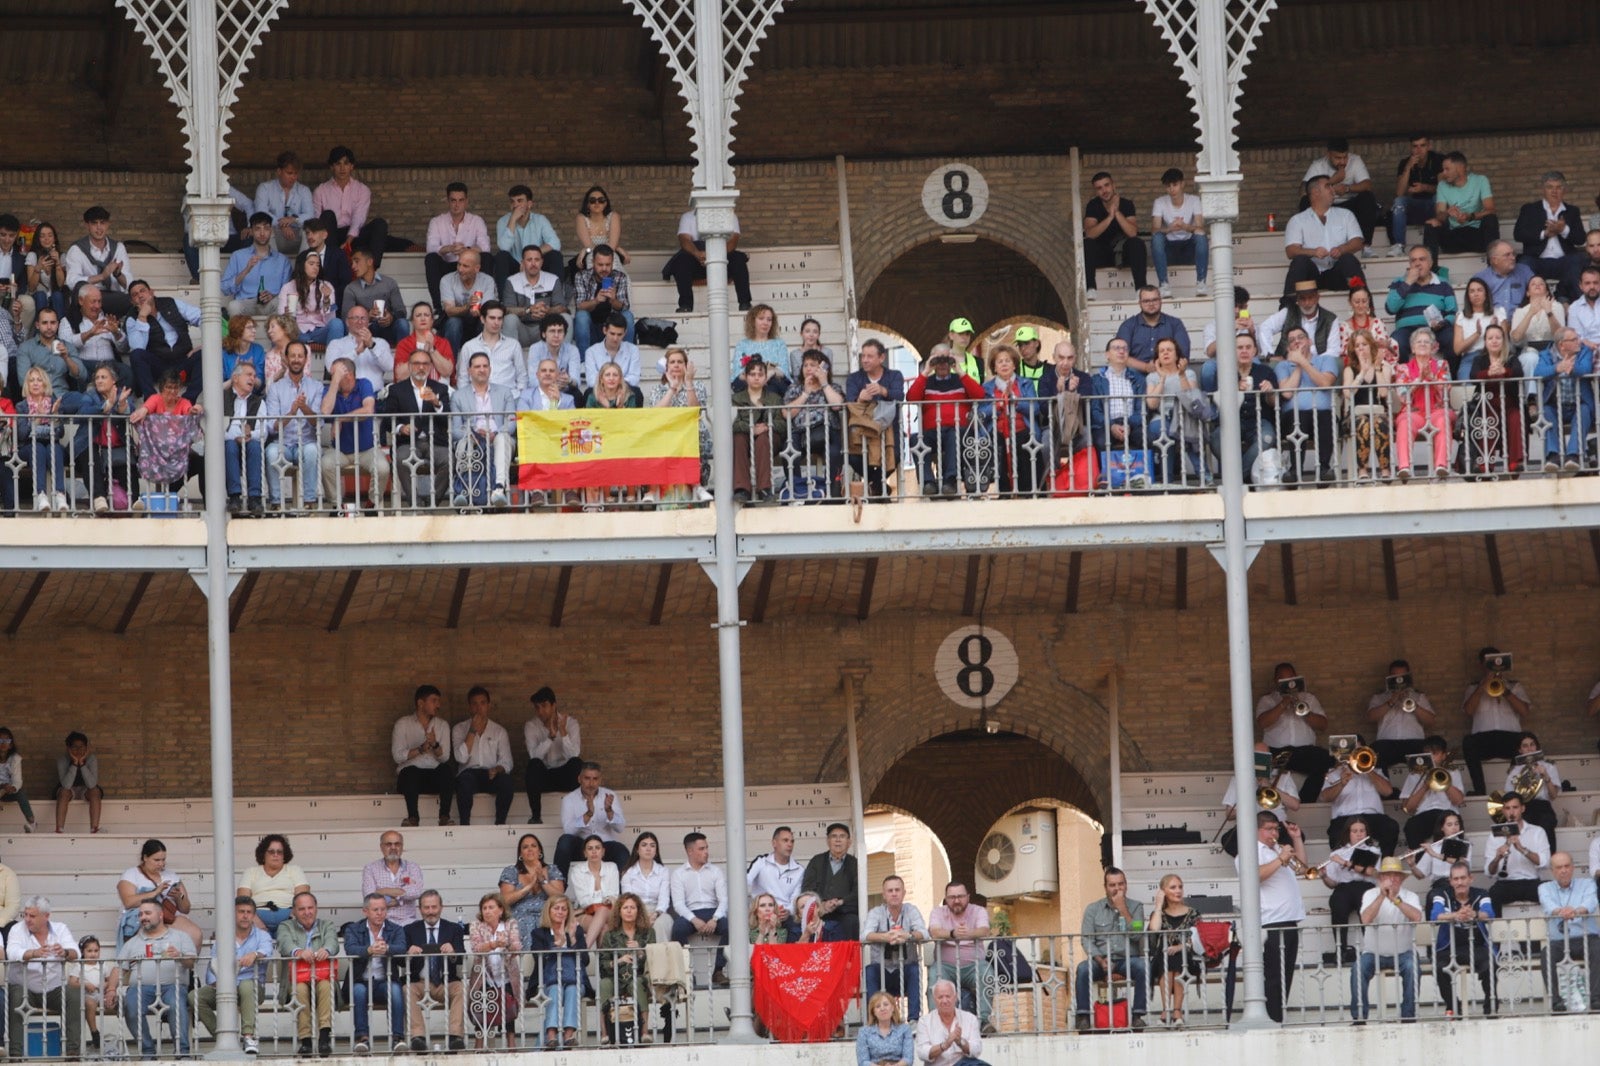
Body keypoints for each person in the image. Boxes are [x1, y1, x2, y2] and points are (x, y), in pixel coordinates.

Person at [1242, 811, 1307, 1023]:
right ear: (1257, 830)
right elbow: (1254, 876)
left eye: (1276, 829)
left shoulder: (1278, 850)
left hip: (1290, 920)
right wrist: (1280, 859)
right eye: (1269, 829)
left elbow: (1303, 868)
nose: (1274, 833)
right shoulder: (1250, 851)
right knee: (1273, 976)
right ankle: (1271, 1019)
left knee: (1285, 975)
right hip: (1271, 921)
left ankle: (1277, 1017)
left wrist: (1296, 839)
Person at [6, 895, 83, 1058]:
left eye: (32, 916)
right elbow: (11, 953)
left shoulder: (60, 928)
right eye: (25, 914)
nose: (27, 919)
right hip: (25, 989)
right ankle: (15, 1055)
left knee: (74, 995)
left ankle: (73, 1053)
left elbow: (76, 952)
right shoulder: (16, 929)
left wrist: (65, 952)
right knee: (16, 995)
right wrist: (33, 953)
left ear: (46, 916)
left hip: (53, 989)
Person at [117, 899, 195, 1058]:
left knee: (176, 1005)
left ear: (160, 915)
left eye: (147, 913)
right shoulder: (131, 943)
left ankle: (182, 1052)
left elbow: (191, 963)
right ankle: (147, 1051)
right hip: (140, 988)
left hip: (172, 986)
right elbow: (119, 969)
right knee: (131, 1006)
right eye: (140, 914)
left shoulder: (181, 937)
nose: (143, 917)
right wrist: (111, 989)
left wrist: (179, 956)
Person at [196, 897, 273, 1055]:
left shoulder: (262, 935)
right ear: (233, 914)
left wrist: (255, 954)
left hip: (253, 988)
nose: (245, 916)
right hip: (226, 985)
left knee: (246, 984)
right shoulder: (224, 937)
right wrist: (216, 982)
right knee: (195, 997)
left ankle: (248, 1037)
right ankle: (223, 1035)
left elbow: (267, 950)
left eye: (249, 912)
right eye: (241, 912)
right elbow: (213, 964)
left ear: (253, 916)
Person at [1349, 857, 1421, 1023]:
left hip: (1403, 953)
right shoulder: (1370, 894)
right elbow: (1365, 919)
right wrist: (1382, 896)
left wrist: (1396, 900)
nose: (1392, 879)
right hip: (1373, 953)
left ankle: (1408, 1016)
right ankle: (1359, 1017)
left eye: (1396, 875)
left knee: (1412, 967)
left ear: (1402, 879)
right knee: (1357, 970)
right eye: (1388, 875)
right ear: (1380, 878)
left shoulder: (1410, 896)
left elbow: (1417, 917)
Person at [381, 346, 452, 507]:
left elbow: (447, 419)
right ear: (409, 365)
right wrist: (401, 428)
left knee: (450, 460)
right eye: (417, 363)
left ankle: (433, 500)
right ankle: (415, 502)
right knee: (401, 459)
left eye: (426, 364)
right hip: (408, 442)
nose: (421, 367)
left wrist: (436, 403)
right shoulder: (397, 390)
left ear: (431, 366)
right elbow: (387, 421)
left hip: (435, 442)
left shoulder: (440, 389)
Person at [1255, 662, 1334, 803]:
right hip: (1276, 752)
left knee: (1327, 760)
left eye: (1290, 678)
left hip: (1304, 751)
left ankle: (1306, 800)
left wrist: (1304, 711)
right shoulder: (1267, 700)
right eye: (1282, 679)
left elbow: (1323, 725)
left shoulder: (1309, 698)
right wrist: (1283, 703)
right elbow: (1262, 722)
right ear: (1276, 681)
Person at [318, 355, 389, 510]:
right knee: (325, 464)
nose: (331, 378)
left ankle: (372, 502)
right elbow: (325, 411)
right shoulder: (330, 390)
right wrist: (335, 382)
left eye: (334, 374)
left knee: (383, 467)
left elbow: (368, 410)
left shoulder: (364, 384)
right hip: (339, 450)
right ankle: (338, 506)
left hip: (366, 450)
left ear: (348, 374)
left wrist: (340, 419)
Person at [1206, 332, 1277, 486]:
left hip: (1259, 420)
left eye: (1248, 347)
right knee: (1216, 438)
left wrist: (1270, 391)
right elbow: (1216, 401)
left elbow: (1273, 404)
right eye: (1239, 348)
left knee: (1268, 437)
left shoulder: (1266, 372)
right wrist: (1234, 389)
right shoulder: (1223, 373)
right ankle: (1245, 478)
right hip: (1231, 420)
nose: (1244, 351)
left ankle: (1236, 481)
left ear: (1254, 351)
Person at [262, 341, 325, 510]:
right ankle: (277, 503)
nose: (296, 360)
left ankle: (309, 502)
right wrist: (292, 412)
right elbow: (272, 426)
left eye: (300, 356)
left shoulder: (316, 386)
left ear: (305, 359)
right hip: (283, 443)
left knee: (312, 450)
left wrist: (304, 408)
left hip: (306, 442)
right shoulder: (275, 388)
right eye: (293, 356)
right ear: (286, 359)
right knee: (271, 452)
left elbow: (318, 424)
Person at [1461, 645, 1532, 795]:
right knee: (1468, 742)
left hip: (1510, 738)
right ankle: (1480, 790)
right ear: (1482, 665)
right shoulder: (1473, 688)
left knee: (1525, 740)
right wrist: (1482, 687)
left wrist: (1506, 692)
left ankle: (1515, 788)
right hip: (1483, 739)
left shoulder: (1514, 686)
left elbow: (1524, 711)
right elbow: (1468, 711)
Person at [275, 891, 339, 1056]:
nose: (307, 912)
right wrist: (298, 952)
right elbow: (284, 943)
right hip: (297, 980)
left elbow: (333, 941)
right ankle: (306, 1041)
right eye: (302, 909)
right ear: (294, 912)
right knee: (300, 990)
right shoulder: (286, 926)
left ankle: (324, 1039)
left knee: (326, 986)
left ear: (316, 908)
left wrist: (327, 949)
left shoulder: (327, 924)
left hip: (323, 977)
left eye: (310, 907)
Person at [1428, 861, 1496, 1015]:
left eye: (1463, 878)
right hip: (1448, 947)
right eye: (1456, 879)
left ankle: (1490, 1005)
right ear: (1450, 881)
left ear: (1470, 879)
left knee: (1490, 965)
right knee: (1439, 968)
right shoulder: (1441, 894)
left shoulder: (1482, 894)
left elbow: (1490, 914)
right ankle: (1453, 1006)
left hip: (1477, 946)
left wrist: (1474, 914)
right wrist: (1455, 915)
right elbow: (1434, 916)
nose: (1459, 882)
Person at [343, 893, 408, 1055]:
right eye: (375, 910)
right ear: (365, 911)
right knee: (358, 991)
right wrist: (369, 950)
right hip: (361, 980)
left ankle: (397, 1038)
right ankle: (363, 1038)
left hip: (383, 981)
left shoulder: (396, 929)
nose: (380, 913)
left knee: (395, 990)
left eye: (383, 909)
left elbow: (402, 947)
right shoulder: (353, 929)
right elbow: (350, 949)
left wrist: (387, 949)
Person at [1141, 337, 1210, 487]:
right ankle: (1168, 480)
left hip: (1184, 417)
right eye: (1162, 351)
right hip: (1162, 418)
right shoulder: (1152, 377)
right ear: (1157, 357)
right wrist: (1162, 379)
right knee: (1166, 432)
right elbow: (1152, 403)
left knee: (1189, 434)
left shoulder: (1188, 373)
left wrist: (1181, 375)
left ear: (1177, 354)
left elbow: (1191, 397)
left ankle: (1205, 478)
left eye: (1169, 350)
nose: (1165, 353)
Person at [403, 889, 466, 1053]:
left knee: (461, 988)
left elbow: (460, 957)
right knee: (406, 989)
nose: (430, 911)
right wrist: (408, 953)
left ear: (441, 907)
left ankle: (455, 1037)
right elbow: (399, 961)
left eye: (434, 907)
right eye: (426, 908)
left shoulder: (454, 929)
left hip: (446, 982)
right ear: (420, 909)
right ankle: (418, 1038)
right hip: (420, 982)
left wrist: (453, 952)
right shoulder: (410, 930)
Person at [1283, 175, 1366, 298]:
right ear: (1315, 192)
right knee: (1300, 261)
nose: (1333, 190)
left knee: (1348, 259)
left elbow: (1358, 242)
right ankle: (1287, 310)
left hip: (1337, 274)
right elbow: (1291, 251)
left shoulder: (1345, 215)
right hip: (1311, 277)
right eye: (1328, 186)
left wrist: (1341, 249)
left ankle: (1368, 310)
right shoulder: (1297, 220)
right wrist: (1313, 252)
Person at [860, 874, 928, 1023]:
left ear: (904, 893)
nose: (894, 893)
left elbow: (925, 933)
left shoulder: (911, 910)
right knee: (869, 971)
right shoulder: (876, 912)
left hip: (905, 969)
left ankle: (913, 1020)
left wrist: (907, 935)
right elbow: (864, 936)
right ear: (884, 895)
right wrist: (886, 937)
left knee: (915, 969)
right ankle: (874, 1021)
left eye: (897, 890)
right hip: (883, 971)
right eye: (890, 891)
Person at [843, 337, 906, 498]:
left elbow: (900, 396)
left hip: (889, 428)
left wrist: (883, 391)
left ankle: (874, 486)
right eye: (863, 356)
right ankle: (878, 487)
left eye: (870, 356)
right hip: (864, 428)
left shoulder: (894, 375)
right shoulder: (854, 378)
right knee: (854, 457)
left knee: (896, 455)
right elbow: (850, 402)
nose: (865, 360)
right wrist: (860, 399)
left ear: (882, 358)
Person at [648, 348, 711, 507]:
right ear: (666, 367)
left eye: (680, 362)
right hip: (667, 438)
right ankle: (657, 489)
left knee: (687, 437)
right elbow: (656, 416)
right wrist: (672, 388)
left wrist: (688, 384)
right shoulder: (658, 389)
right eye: (672, 362)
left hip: (691, 436)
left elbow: (694, 412)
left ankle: (696, 485)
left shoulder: (698, 386)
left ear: (686, 365)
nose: (676, 365)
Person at [1539, 851, 1600, 1013]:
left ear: (1573, 868)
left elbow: (1590, 903)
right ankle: (1556, 1002)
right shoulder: (1544, 887)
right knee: (1546, 954)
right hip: (1559, 941)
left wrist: (1575, 911)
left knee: (1598, 948)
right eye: (1559, 867)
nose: (1563, 870)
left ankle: (1596, 999)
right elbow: (1548, 905)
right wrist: (1561, 911)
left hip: (1587, 937)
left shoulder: (1587, 884)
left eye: (1567, 866)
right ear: (1552, 871)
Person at [1463, 324, 1525, 477]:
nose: (1494, 341)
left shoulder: (1511, 357)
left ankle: (1514, 463)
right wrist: (1489, 373)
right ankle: (1485, 464)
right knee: (1486, 420)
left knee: (1516, 418)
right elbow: (1474, 377)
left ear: (1504, 340)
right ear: (1485, 341)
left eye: (1498, 337)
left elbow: (1518, 373)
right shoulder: (1480, 359)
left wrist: (1505, 371)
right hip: (1487, 406)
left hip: (1510, 405)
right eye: (1490, 338)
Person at [927, 881, 991, 1031]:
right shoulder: (937, 912)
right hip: (945, 966)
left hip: (974, 966)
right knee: (933, 978)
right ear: (946, 898)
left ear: (968, 897)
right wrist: (952, 933)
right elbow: (934, 932)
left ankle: (984, 1021)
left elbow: (984, 930)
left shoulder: (979, 911)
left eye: (960, 896)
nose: (956, 900)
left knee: (987, 974)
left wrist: (967, 933)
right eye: (952, 897)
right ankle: (936, 1024)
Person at [125, 280, 204, 400]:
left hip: (183, 360)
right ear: (132, 301)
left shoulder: (171, 303)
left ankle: (189, 399)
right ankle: (151, 400)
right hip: (159, 366)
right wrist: (142, 317)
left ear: (151, 292)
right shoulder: (132, 318)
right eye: (135, 295)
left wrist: (205, 344)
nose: (140, 295)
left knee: (206, 353)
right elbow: (138, 347)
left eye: (142, 291)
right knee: (136, 355)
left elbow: (202, 317)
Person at [116, 838, 201, 949]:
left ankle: (187, 964)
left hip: (168, 916)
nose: (161, 864)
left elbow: (186, 908)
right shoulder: (131, 874)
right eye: (156, 860)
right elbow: (128, 902)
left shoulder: (172, 876)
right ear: (145, 858)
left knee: (195, 934)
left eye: (163, 860)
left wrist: (180, 896)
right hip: (144, 918)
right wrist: (155, 892)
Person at [1319, 816, 1384, 962]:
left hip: (1366, 886)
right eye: (1354, 831)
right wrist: (1324, 876)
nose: (1359, 834)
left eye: (1362, 830)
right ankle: (1340, 950)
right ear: (1348, 833)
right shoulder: (1337, 853)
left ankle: (1371, 950)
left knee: (1366, 907)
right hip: (1344, 887)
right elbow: (1333, 884)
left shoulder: (1373, 850)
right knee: (1337, 904)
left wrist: (1347, 864)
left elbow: (1372, 872)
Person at [664, 205, 751, 313]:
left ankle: (745, 304)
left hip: (722, 261)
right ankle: (685, 305)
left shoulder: (730, 216)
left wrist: (715, 255)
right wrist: (697, 253)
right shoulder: (688, 217)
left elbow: (733, 241)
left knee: (738, 259)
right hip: (698, 261)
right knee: (682, 261)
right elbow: (684, 240)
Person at [449, 685, 515, 826]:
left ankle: (500, 823)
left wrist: (497, 769)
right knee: (464, 781)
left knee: (507, 782)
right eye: (474, 704)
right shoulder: (459, 729)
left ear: (488, 705)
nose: (479, 708)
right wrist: (472, 731)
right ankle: (465, 825)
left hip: (491, 773)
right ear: (469, 707)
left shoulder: (499, 731)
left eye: (483, 703)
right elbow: (460, 758)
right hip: (469, 774)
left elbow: (507, 761)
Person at [1391, 330, 1452, 481]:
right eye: (1419, 342)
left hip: (1436, 409)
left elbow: (1445, 393)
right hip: (1414, 411)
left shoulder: (1441, 364)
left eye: (1427, 342)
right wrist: (1418, 380)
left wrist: (1431, 377)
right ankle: (1404, 467)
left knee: (1443, 419)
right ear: (1412, 348)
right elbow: (1403, 396)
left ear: (1433, 347)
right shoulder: (1402, 368)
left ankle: (1441, 466)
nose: (1423, 344)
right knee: (1405, 422)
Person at [1218, 741, 1298, 857]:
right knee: (1228, 840)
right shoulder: (1238, 779)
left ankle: (1275, 863)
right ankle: (1254, 865)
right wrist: (1250, 791)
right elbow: (1229, 815)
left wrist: (1271, 787)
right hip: (1250, 826)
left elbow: (1295, 805)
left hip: (1277, 826)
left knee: (1293, 836)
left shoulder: (1284, 776)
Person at [670, 831, 729, 986]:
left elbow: (724, 900)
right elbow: (678, 904)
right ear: (690, 851)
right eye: (702, 849)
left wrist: (715, 919)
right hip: (691, 913)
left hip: (712, 911)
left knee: (729, 927)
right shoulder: (679, 874)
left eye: (706, 848)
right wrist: (693, 919)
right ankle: (688, 974)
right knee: (677, 929)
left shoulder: (715, 871)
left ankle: (718, 971)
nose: (706, 852)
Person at [1534, 325, 1596, 472]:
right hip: (1555, 404)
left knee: (1584, 411)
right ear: (1562, 344)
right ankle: (1553, 456)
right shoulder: (1546, 354)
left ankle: (1573, 456)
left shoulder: (1584, 351)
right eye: (1574, 339)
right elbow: (1538, 372)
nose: (1579, 342)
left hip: (1579, 403)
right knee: (1546, 411)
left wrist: (1572, 369)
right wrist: (1557, 368)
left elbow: (1586, 368)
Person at [391, 684, 453, 827]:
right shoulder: (402, 724)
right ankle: (413, 818)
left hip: (434, 777)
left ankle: (444, 817)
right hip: (410, 780)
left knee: (446, 770)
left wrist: (435, 745)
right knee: (410, 772)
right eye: (434, 700)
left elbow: (445, 758)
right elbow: (397, 756)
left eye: (439, 701)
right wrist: (421, 749)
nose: (438, 705)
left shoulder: (442, 725)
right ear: (420, 703)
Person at [596, 892, 654, 1043]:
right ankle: (604, 1034)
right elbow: (603, 964)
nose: (629, 911)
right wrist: (619, 960)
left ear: (638, 911)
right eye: (625, 907)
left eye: (632, 908)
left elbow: (654, 959)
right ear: (619, 912)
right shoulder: (610, 935)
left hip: (638, 977)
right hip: (615, 977)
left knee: (638, 983)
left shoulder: (648, 933)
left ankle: (644, 1032)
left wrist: (640, 951)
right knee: (604, 984)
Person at [529, 894, 587, 1048]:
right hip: (547, 982)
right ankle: (551, 1033)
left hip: (574, 980)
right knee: (555, 988)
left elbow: (585, 960)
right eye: (556, 908)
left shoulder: (576, 930)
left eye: (564, 909)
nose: (560, 912)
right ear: (549, 910)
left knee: (573, 989)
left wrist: (572, 940)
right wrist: (557, 946)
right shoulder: (539, 933)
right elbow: (537, 957)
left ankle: (568, 1034)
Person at [467, 892, 522, 1049]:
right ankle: (479, 1045)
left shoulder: (510, 924)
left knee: (509, 1004)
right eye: (484, 908)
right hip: (483, 975)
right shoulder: (476, 925)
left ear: (500, 910)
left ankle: (511, 1044)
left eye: (491, 907)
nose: (487, 911)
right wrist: (494, 944)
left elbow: (517, 947)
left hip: (507, 975)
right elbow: (476, 948)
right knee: (481, 1006)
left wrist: (507, 945)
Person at [424, 183, 490, 315]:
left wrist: (467, 250)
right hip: (446, 265)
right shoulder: (437, 221)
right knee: (431, 258)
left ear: (466, 201)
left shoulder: (476, 221)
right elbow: (431, 247)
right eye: (453, 200)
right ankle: (440, 310)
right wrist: (448, 248)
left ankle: (484, 305)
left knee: (487, 257)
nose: (456, 204)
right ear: (448, 201)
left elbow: (485, 247)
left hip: (468, 266)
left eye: (461, 200)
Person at [1302, 138, 1379, 248]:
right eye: (1338, 158)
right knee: (1304, 202)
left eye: (1345, 157)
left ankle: (1366, 246)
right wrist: (1332, 181)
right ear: (1328, 154)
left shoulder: (1355, 160)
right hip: (1326, 207)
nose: (1342, 162)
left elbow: (1367, 185)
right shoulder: (1318, 165)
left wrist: (1348, 188)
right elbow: (1303, 191)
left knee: (1367, 197)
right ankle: (1311, 245)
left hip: (1349, 205)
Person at [1146, 874, 1201, 1026]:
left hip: (1187, 956)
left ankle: (1173, 1010)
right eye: (1173, 887)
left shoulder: (1193, 912)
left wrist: (1180, 947)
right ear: (1163, 891)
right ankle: (1171, 1010)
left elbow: (1198, 938)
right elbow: (1154, 929)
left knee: (1177, 957)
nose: (1178, 891)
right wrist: (1158, 906)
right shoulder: (1158, 914)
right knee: (1168, 958)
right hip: (1162, 958)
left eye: (1180, 887)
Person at [523, 686, 582, 825]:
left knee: (577, 764)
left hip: (565, 775)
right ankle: (536, 816)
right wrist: (550, 737)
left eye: (544, 706)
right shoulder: (531, 725)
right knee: (533, 765)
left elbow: (575, 754)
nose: (540, 711)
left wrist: (563, 732)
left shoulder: (571, 723)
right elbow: (534, 755)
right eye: (537, 707)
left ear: (554, 705)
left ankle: (579, 815)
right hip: (545, 776)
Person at [1082, 171, 1146, 299]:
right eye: (1099, 188)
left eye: (1106, 185)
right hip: (1102, 253)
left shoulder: (1126, 204)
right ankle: (1091, 289)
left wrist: (1116, 212)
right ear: (1096, 191)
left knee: (1137, 242)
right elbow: (1090, 233)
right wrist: (1110, 217)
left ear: (1113, 186)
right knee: (1087, 243)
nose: (1104, 190)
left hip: (1123, 253)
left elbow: (1132, 232)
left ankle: (1140, 289)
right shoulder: (1093, 206)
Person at [1512, 171, 1584, 282]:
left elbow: (1581, 239)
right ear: (1543, 189)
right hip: (1536, 260)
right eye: (1550, 187)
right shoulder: (1529, 209)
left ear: (1564, 190)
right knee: (1524, 263)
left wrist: (1563, 230)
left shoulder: (1572, 211)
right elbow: (1518, 234)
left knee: (1578, 260)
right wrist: (1544, 233)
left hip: (1564, 260)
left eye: (1558, 187)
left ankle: (1581, 299)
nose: (1554, 191)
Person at [732, 358, 786, 503]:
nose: (756, 377)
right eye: (752, 374)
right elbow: (732, 424)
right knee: (738, 438)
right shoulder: (736, 399)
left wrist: (768, 426)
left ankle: (764, 489)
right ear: (746, 376)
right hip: (745, 440)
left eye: (760, 374)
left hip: (769, 440)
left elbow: (783, 424)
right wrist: (751, 429)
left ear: (765, 377)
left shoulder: (775, 398)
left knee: (763, 438)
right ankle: (742, 489)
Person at [1484, 792, 1549, 911]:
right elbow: (1489, 872)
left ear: (1522, 808)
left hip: (1531, 882)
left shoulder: (1537, 832)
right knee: (1492, 894)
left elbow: (1544, 863)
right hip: (1506, 883)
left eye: (1515, 807)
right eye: (1507, 808)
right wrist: (1497, 857)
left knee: (1550, 891)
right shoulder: (1494, 835)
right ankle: (1496, 929)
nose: (1511, 812)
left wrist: (1522, 850)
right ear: (1503, 810)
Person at [1425, 151, 1498, 257]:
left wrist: (1470, 216)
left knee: (1491, 219)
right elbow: (1440, 215)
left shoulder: (1480, 180)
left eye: (1447, 169)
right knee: (1431, 224)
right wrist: (1447, 213)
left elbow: (1491, 210)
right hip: (1454, 237)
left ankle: (1493, 268)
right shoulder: (1442, 185)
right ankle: (1431, 270)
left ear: (1460, 168)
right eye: (1443, 169)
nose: (1443, 173)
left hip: (1477, 236)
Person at [1342, 330, 1393, 481]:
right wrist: (1362, 373)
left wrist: (1376, 368)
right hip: (1356, 415)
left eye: (1364, 344)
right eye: (1357, 346)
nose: (1361, 348)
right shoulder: (1349, 370)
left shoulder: (1385, 367)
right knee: (1363, 423)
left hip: (1379, 412)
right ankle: (1362, 469)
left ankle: (1385, 469)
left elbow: (1383, 393)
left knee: (1379, 422)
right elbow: (1347, 393)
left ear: (1371, 346)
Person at [1398, 735, 1465, 849]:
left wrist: (1443, 780)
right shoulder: (1414, 775)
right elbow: (1408, 808)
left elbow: (1458, 800)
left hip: (1447, 813)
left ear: (1444, 755)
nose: (1431, 757)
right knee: (1411, 826)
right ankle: (1419, 863)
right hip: (1424, 815)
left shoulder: (1452, 773)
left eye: (1435, 753)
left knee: (1453, 825)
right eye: (1427, 754)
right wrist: (1425, 785)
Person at [1151, 167, 1208, 298]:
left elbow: (1200, 228)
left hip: (1189, 248)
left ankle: (1201, 283)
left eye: (1175, 185)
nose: (1172, 189)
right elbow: (1154, 230)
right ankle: (1163, 284)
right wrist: (1169, 229)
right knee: (1157, 238)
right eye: (1168, 186)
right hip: (1169, 249)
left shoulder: (1194, 200)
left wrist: (1185, 227)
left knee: (1201, 236)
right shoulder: (1159, 202)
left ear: (1182, 184)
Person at [63, 206, 131, 317]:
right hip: (88, 298)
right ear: (87, 225)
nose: (99, 228)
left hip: (115, 297)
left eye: (102, 223)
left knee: (136, 300)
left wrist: (118, 274)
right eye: (94, 223)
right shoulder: (76, 249)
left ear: (108, 224)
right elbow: (72, 282)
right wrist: (102, 277)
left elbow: (128, 283)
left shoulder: (118, 247)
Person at [221, 213, 292, 318]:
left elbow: (287, 290)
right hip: (246, 302)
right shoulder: (238, 256)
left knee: (283, 303)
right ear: (252, 232)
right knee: (233, 306)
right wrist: (246, 270)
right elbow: (225, 288)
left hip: (271, 303)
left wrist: (272, 295)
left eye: (266, 228)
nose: (262, 233)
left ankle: (275, 332)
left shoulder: (282, 260)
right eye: (258, 229)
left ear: (271, 231)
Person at [499, 833, 562, 950]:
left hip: (547, 915)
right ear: (520, 854)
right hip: (520, 915)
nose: (529, 849)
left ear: (540, 851)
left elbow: (559, 899)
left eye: (533, 846)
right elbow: (504, 900)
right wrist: (529, 886)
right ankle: (528, 965)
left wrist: (542, 881)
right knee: (525, 924)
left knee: (546, 923)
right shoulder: (511, 871)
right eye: (525, 847)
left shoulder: (552, 869)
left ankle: (548, 964)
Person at [501, 246, 572, 348]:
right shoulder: (512, 281)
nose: (533, 264)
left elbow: (562, 308)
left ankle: (562, 359)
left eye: (537, 260)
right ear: (523, 262)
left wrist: (548, 310)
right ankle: (508, 359)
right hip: (522, 330)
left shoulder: (552, 279)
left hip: (546, 330)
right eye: (529, 260)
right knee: (509, 319)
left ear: (542, 262)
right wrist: (529, 310)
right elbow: (507, 310)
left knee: (566, 317)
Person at [236, 833, 308, 934]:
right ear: (263, 854)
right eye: (271, 851)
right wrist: (255, 921)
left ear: (284, 855)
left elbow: (303, 898)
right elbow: (242, 900)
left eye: (279, 852)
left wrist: (291, 921)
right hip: (256, 917)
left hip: (289, 917)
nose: (275, 855)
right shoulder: (251, 872)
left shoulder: (295, 870)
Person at [799, 822, 859, 941]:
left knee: (852, 921)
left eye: (842, 836)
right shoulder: (816, 861)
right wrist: (821, 905)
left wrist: (841, 902)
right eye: (834, 836)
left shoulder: (855, 863)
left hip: (845, 913)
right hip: (820, 913)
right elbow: (807, 890)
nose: (838, 840)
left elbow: (859, 891)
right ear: (828, 841)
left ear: (849, 842)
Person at [219, 361, 265, 514]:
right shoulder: (221, 398)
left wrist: (250, 434)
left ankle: (254, 498)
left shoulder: (259, 402)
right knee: (230, 445)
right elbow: (217, 430)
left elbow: (263, 431)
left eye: (254, 376)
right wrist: (237, 435)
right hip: (228, 443)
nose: (252, 379)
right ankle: (234, 497)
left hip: (249, 442)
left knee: (254, 446)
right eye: (248, 375)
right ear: (235, 378)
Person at [1503, 731, 1560, 850]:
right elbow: (1509, 797)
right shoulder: (1515, 771)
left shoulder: (1548, 766)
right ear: (1520, 750)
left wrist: (1545, 776)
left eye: (1532, 744)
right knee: (1521, 828)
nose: (1529, 749)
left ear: (1537, 747)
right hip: (1523, 807)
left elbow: (1553, 795)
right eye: (1525, 746)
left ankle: (1550, 859)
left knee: (1547, 823)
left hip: (1543, 806)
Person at [494, 184, 563, 282]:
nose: (515, 205)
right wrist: (513, 219)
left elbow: (555, 243)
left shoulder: (540, 220)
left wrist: (531, 257)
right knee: (501, 257)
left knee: (555, 255)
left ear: (529, 204)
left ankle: (557, 294)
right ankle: (504, 297)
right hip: (515, 266)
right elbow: (504, 247)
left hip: (536, 264)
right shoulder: (503, 221)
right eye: (512, 201)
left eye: (520, 201)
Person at [342, 248, 409, 347]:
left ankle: (403, 359)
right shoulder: (351, 288)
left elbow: (402, 312)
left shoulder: (389, 283)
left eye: (356, 261)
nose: (353, 266)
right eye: (352, 263)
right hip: (367, 330)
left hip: (389, 328)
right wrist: (367, 316)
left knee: (403, 323)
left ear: (369, 262)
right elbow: (346, 319)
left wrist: (391, 317)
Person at [574, 247, 635, 355]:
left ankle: (626, 358)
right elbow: (579, 306)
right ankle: (583, 364)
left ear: (612, 263)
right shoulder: (582, 276)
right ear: (593, 262)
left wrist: (613, 300)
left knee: (628, 316)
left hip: (613, 329)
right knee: (581, 316)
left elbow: (624, 306)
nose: (604, 269)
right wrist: (596, 301)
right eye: (600, 265)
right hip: (591, 327)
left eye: (608, 265)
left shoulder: (619, 277)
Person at [1114, 286, 1191, 371]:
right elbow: (1119, 356)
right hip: (1137, 373)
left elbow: (1183, 355)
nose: (1151, 304)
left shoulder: (1175, 324)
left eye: (1154, 300)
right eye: (1146, 301)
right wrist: (1145, 367)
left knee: (1189, 373)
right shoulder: (1128, 325)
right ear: (1139, 303)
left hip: (1169, 371)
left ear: (1161, 301)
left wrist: (1164, 369)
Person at [1389, 134, 1445, 251]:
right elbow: (1399, 192)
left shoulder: (1437, 160)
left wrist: (1425, 187)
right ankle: (1399, 246)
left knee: (1437, 197)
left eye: (1422, 146)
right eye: (1415, 146)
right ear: (1411, 148)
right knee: (1399, 201)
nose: (1419, 150)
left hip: (1433, 205)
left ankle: (1440, 242)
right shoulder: (1405, 162)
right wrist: (1408, 167)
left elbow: (1444, 189)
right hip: (1415, 208)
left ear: (1429, 146)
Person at [278, 250, 345, 347]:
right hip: (297, 332)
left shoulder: (326, 286)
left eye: (318, 265)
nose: (315, 268)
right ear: (302, 265)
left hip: (319, 331)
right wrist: (286, 315)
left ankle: (334, 361)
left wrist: (326, 300)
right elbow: (281, 317)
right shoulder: (288, 287)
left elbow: (330, 320)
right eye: (311, 264)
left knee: (337, 324)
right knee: (280, 329)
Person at [747, 826, 805, 937]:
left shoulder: (799, 870)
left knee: (797, 930)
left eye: (792, 841)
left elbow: (795, 899)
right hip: (760, 913)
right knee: (733, 927)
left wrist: (788, 911)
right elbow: (744, 882)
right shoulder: (761, 861)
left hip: (784, 915)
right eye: (785, 840)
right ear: (774, 843)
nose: (790, 844)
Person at [914, 980, 988, 1066]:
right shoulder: (924, 1022)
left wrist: (960, 1042)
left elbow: (976, 1050)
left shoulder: (970, 1018)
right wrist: (944, 1045)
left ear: (955, 997)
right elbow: (922, 1053)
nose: (944, 1001)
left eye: (948, 996)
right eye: (940, 997)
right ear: (934, 1000)